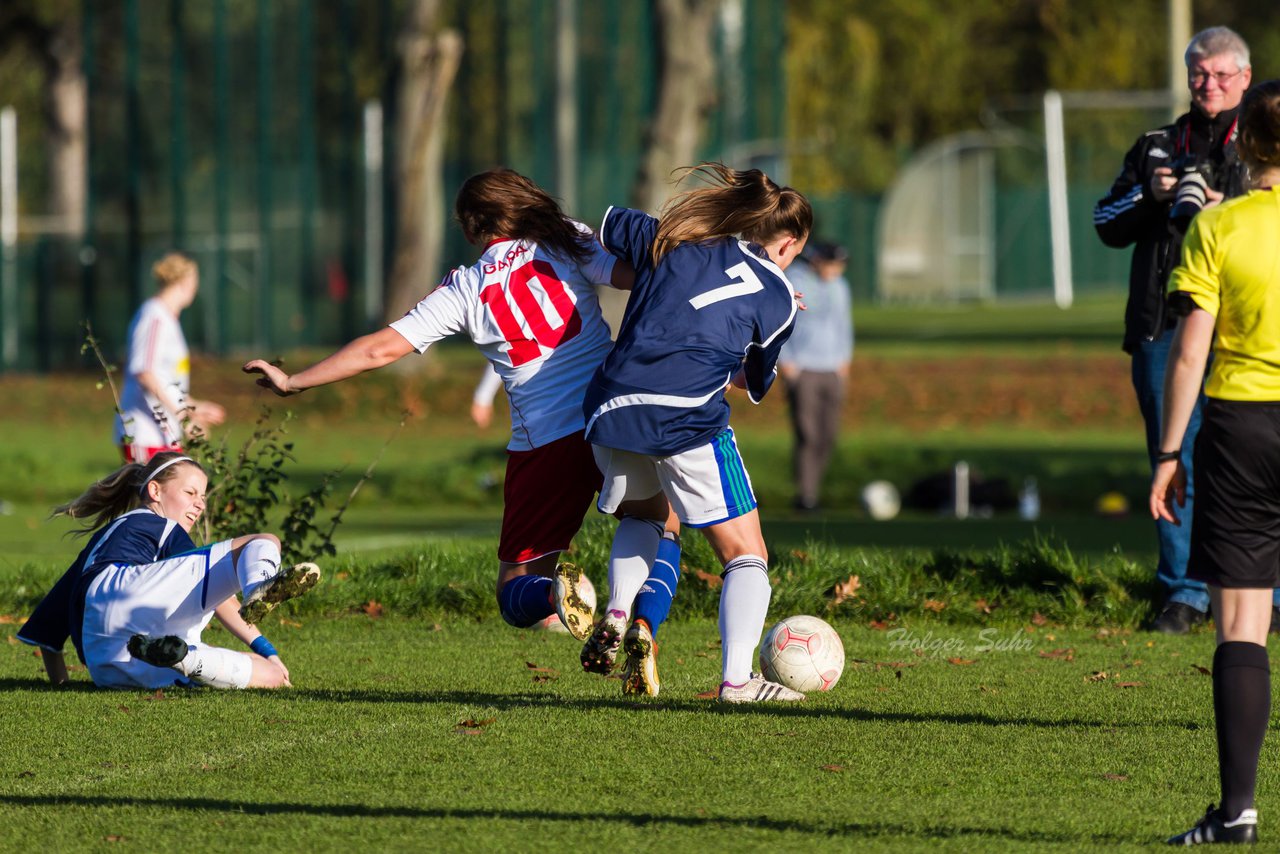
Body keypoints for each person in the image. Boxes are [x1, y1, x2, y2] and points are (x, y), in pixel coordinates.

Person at [243, 168, 681, 656]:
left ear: (473, 229)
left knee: (514, 592)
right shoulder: (566, 240)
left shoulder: (465, 287)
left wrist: (293, 380)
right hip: (610, 416)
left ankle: (553, 593)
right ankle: (640, 622)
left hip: (544, 443)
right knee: (661, 524)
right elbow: (638, 275)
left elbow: (378, 350)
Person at [581, 162, 812, 703]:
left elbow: (608, 224)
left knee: (645, 515)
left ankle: (617, 612)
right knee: (746, 554)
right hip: (684, 417)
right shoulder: (778, 296)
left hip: (610, 406)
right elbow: (750, 382)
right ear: (789, 244)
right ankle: (736, 681)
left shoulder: (675, 240)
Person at [1093, 26, 1279, 635]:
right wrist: (1152, 195)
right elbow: (1105, 219)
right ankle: (1184, 591)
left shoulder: (1260, 143)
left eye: (1224, 75)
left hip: (1241, 330)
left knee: (1252, 462)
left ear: (1246, 78)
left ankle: (1271, 594)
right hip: (1161, 324)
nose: (1211, 85)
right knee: (1171, 460)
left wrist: (1225, 199)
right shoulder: (1156, 145)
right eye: (1200, 74)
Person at [1150, 78, 1280, 847]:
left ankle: (1236, 812)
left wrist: (1169, 452)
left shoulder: (1220, 228)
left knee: (1242, 622)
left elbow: (1190, 346)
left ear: (1249, 146)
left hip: (1241, 429)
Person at [17, 452, 320, 689]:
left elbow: (46, 634)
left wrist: (62, 686)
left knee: (271, 677)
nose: (199, 504)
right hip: (130, 589)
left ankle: (185, 657)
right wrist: (264, 646)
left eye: (203, 497)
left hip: (107, 668)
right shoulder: (160, 524)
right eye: (191, 493)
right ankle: (260, 584)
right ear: (155, 491)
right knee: (264, 541)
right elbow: (219, 600)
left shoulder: (98, 548)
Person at [115, 252, 226, 464]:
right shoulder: (154, 317)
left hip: (163, 432)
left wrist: (193, 407)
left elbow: (164, 379)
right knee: (152, 496)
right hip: (145, 433)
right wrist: (184, 418)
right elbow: (145, 372)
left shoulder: (167, 318)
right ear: (185, 282)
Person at [778, 240, 853, 512]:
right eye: (832, 263)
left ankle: (814, 489)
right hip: (803, 368)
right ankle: (806, 496)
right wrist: (787, 363)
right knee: (807, 435)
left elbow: (844, 325)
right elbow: (782, 323)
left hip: (832, 368)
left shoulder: (841, 287)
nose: (836, 269)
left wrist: (844, 361)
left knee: (828, 435)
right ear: (818, 260)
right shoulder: (794, 281)